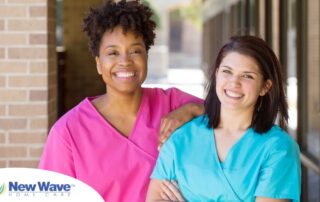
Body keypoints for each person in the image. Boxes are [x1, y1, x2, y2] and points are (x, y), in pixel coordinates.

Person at [38, 0, 203, 201]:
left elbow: (238, 117)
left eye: (135, 51)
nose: (125, 61)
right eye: (113, 53)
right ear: (99, 64)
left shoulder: (174, 105)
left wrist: (192, 110)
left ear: (146, 57)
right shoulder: (68, 133)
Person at [147, 35, 301, 202]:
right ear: (217, 74)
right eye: (227, 71)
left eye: (247, 76)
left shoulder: (278, 148)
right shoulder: (180, 138)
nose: (234, 82)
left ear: (265, 87)